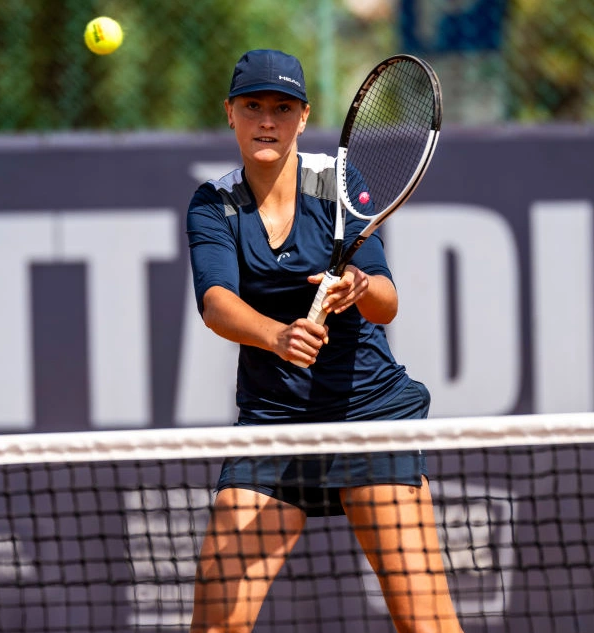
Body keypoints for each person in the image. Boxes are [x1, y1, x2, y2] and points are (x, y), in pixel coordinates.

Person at [185, 49, 463, 633]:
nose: (267, 120)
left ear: (303, 117)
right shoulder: (213, 204)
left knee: (427, 626)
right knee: (216, 623)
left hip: (367, 415)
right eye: (253, 106)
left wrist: (359, 286)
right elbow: (216, 302)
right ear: (229, 114)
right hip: (274, 425)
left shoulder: (337, 183)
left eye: (282, 108)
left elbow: (386, 301)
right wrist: (277, 335)